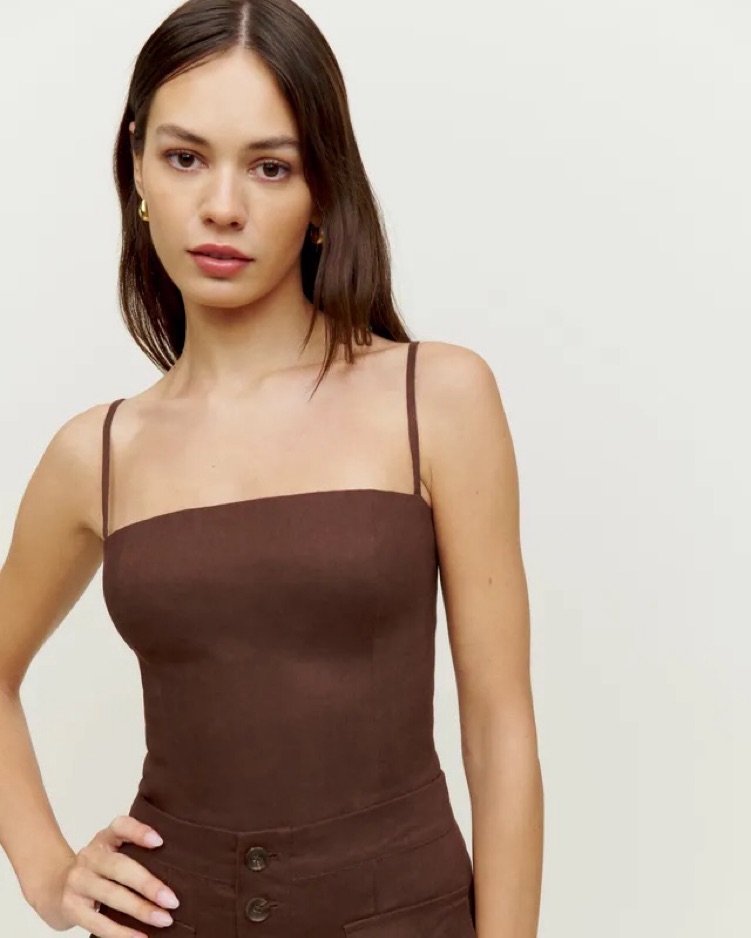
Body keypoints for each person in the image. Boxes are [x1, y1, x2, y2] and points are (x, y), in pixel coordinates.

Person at [0, 1, 543, 936]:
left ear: (323, 188)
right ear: (137, 168)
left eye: (270, 166)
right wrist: (48, 873)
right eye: (185, 157)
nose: (222, 206)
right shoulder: (96, 453)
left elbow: (500, 736)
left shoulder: (437, 397)